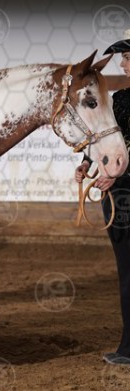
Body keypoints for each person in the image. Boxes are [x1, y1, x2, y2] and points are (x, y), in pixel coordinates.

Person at [75, 29, 130, 365]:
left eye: (129, 57)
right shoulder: (119, 100)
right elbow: (104, 137)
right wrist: (87, 163)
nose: (123, 64)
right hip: (119, 194)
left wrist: (118, 174)